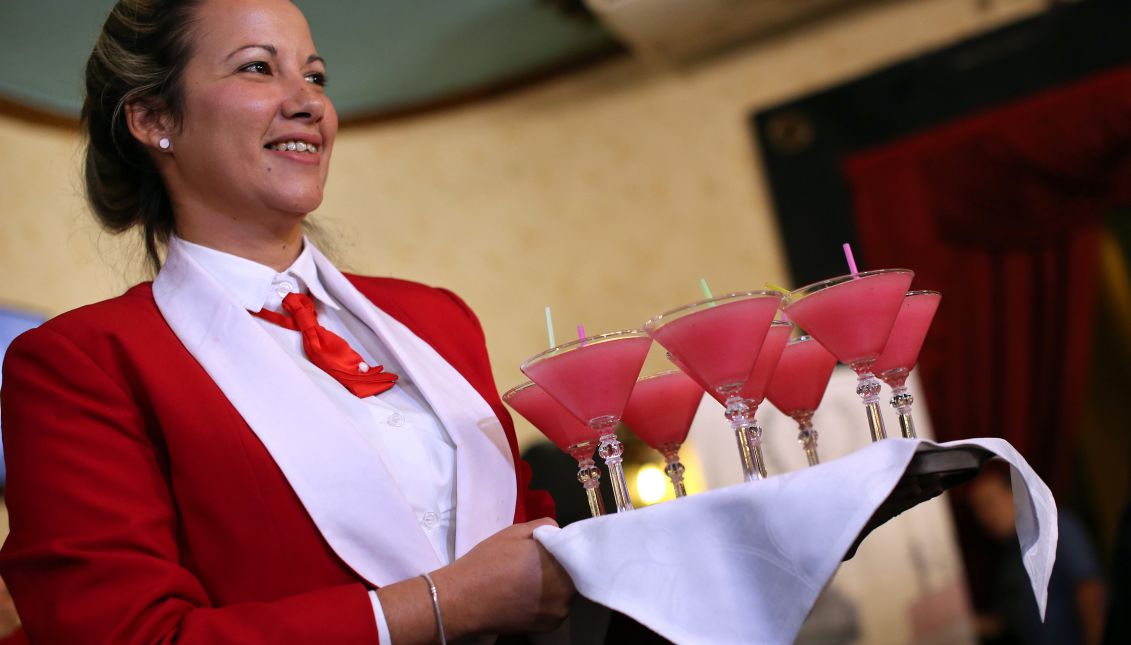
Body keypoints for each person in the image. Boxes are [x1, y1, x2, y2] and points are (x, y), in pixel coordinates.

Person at [0, 0, 575, 642]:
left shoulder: (438, 317)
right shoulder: (82, 361)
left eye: (316, 75)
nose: (308, 103)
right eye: (256, 68)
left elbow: (522, 532)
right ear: (153, 117)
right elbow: (124, 634)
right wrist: (444, 605)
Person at [969, 464, 1106, 645]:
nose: (985, 515)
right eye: (978, 510)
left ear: (1014, 495)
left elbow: (1089, 590)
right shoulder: (1008, 558)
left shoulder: (1055, 529)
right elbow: (1008, 619)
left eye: (989, 502)